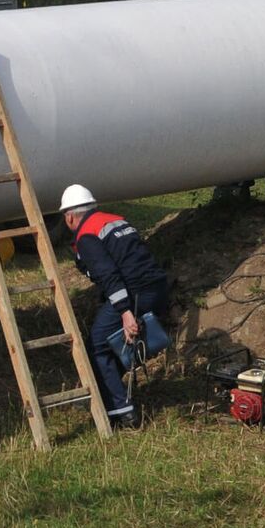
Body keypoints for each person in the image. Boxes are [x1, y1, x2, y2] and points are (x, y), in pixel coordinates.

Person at [58, 184, 170, 429]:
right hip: (157, 287)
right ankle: (106, 388)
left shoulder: (86, 234)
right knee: (115, 341)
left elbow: (109, 276)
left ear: (69, 216)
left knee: (98, 345)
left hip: (132, 293)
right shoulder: (116, 220)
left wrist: (125, 313)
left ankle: (121, 411)